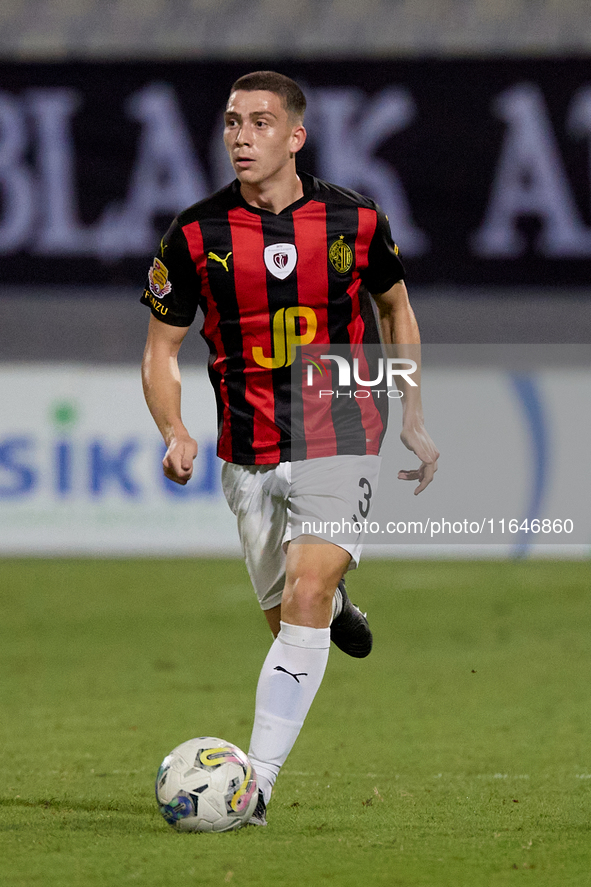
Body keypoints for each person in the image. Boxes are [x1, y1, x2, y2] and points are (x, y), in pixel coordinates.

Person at [141, 70, 439, 826]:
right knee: (292, 624)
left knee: (302, 597)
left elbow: (394, 306)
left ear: (296, 136)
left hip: (339, 421)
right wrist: (174, 429)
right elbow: (160, 350)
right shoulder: (195, 234)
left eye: (260, 122)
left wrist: (410, 408)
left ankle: (255, 785)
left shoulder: (354, 221)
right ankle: (333, 601)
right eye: (232, 122)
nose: (241, 136)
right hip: (246, 448)